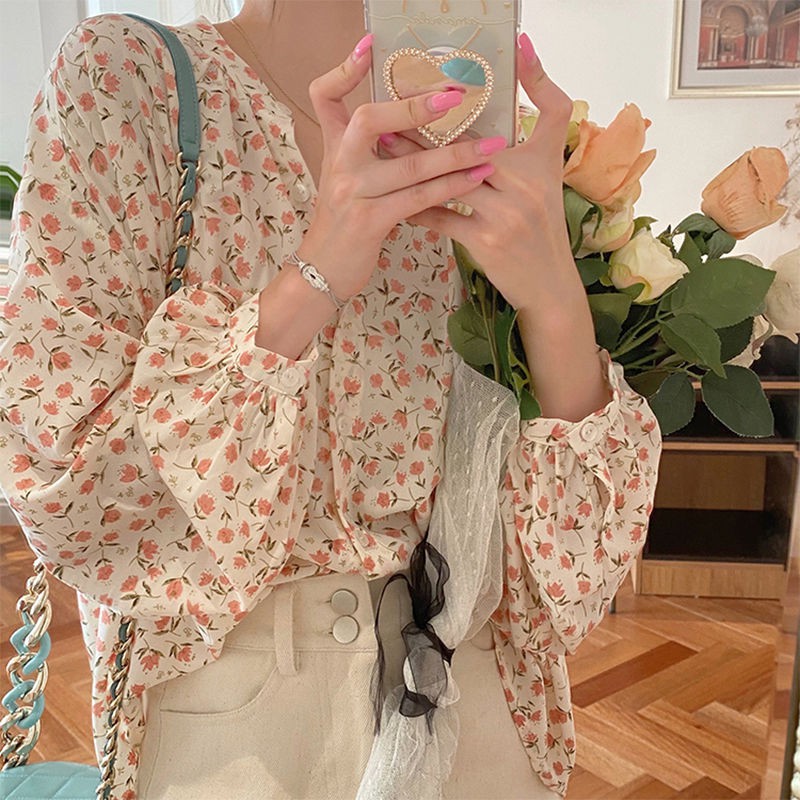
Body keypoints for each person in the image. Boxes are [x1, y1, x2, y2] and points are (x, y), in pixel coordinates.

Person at [0, 1, 662, 798]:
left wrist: (554, 299)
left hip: (472, 692)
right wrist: (318, 270)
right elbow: (66, 485)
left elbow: (571, 573)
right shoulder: (131, 81)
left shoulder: (486, 130)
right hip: (235, 711)